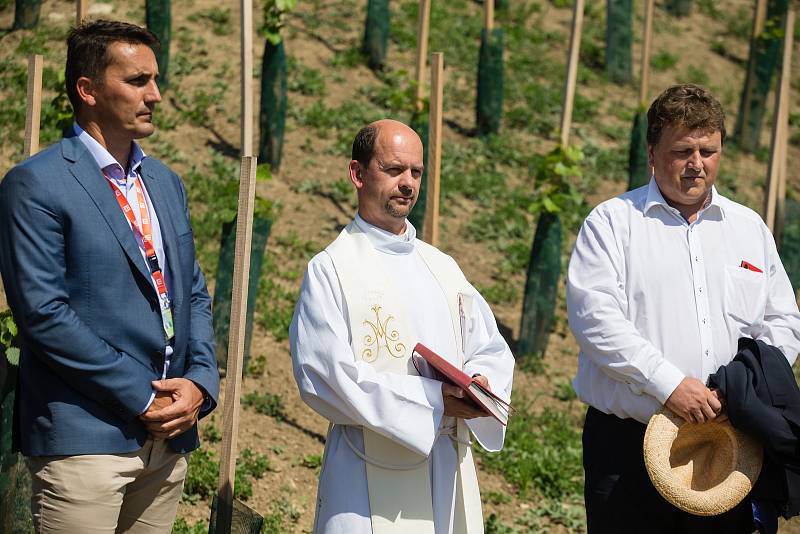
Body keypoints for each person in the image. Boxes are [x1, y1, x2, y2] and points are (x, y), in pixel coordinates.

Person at [0, 20, 219, 533]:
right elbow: (44, 315)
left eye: (155, 79)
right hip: (85, 442)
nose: (156, 94)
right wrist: (143, 395)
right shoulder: (36, 185)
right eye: (137, 80)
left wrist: (199, 384)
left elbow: (192, 293)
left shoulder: (165, 183)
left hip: (167, 443)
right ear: (88, 90)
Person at [567, 83, 800, 534]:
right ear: (652, 152)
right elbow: (596, 320)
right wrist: (670, 384)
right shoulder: (613, 223)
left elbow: (783, 321)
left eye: (708, 150)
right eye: (683, 151)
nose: (697, 164)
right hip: (629, 447)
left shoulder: (749, 228)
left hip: (729, 443)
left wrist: (742, 389)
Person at [289, 119, 515, 534]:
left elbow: (490, 348)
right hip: (367, 473)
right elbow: (326, 378)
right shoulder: (333, 269)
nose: (408, 183)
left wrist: (481, 382)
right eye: (394, 170)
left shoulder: (442, 267)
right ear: (358, 174)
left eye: (416, 172)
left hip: (447, 465)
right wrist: (435, 398)